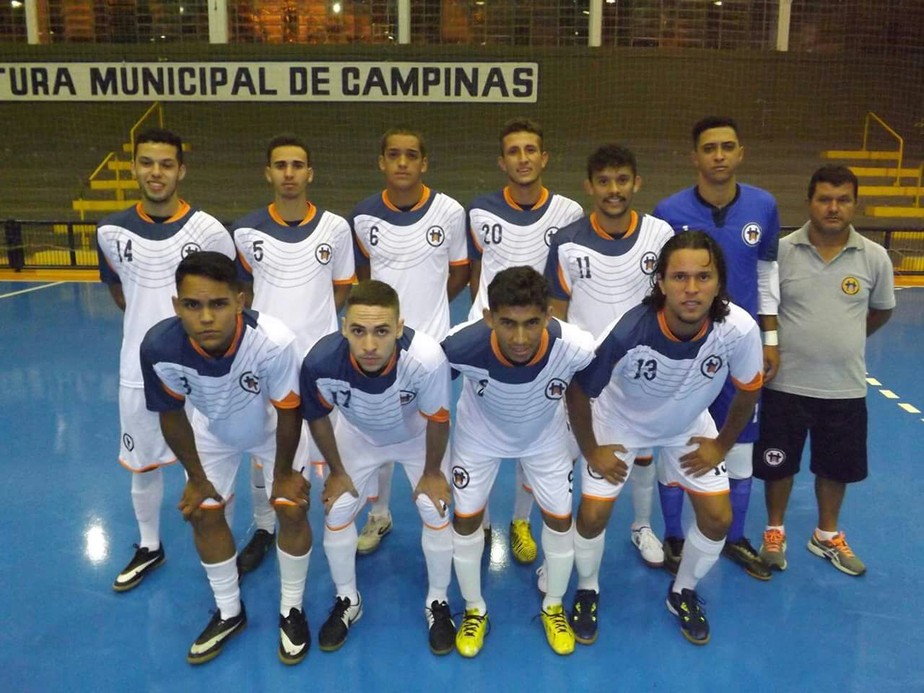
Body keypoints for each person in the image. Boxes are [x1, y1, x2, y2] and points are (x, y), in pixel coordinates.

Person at [567, 231, 763, 646]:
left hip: (688, 424)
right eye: (679, 277)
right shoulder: (629, 330)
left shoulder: (738, 329)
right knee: (592, 517)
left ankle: (683, 592)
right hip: (620, 423)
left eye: (703, 277)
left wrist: (721, 445)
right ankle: (587, 588)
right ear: (661, 282)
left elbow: (749, 388)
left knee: (718, 519)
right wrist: (590, 449)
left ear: (719, 282)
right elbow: (579, 389)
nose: (691, 289)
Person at [139, 252, 313, 665]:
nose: (205, 318)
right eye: (192, 305)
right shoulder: (159, 347)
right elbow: (171, 414)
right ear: (176, 305)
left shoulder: (273, 341)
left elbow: (290, 410)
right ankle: (229, 611)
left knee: (290, 508)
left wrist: (284, 473)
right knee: (203, 511)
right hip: (213, 431)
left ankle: (292, 608)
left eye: (217, 304)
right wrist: (196, 478)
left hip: (275, 432)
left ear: (240, 300)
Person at [97, 127, 235, 592]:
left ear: (181, 170)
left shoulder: (210, 230)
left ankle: (222, 542)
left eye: (166, 164)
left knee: (214, 460)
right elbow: (120, 291)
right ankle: (149, 544)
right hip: (139, 368)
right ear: (135, 166)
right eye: (147, 162)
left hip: (206, 369)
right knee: (144, 464)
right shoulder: (111, 231)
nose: (156, 173)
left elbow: (228, 296)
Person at [442, 266, 596, 657]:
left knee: (561, 521)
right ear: (488, 317)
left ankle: (554, 606)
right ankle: (475, 609)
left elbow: (581, 394)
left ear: (549, 315)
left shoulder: (576, 347)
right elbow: (429, 394)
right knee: (465, 523)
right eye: (508, 323)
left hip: (544, 439)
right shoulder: (458, 347)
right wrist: (428, 463)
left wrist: (590, 447)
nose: (521, 337)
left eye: (532, 323)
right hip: (479, 439)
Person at [299, 280, 457, 654]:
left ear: (399, 328)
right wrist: (336, 470)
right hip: (357, 437)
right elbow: (318, 417)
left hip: (417, 438)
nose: (369, 345)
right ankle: (347, 600)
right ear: (343, 328)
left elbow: (438, 418)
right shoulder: (320, 361)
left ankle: (438, 601)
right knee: (337, 510)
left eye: (381, 331)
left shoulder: (427, 358)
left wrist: (433, 473)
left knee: (434, 508)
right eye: (358, 331)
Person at [653, 116, 780, 580]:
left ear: (741, 152)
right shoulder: (667, 211)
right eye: (710, 148)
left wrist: (770, 337)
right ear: (695, 157)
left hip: (741, 346)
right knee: (679, 442)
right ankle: (673, 535)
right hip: (685, 349)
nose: (719, 155)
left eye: (728, 146)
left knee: (741, 444)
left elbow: (766, 274)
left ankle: (735, 537)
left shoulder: (763, 206)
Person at [753, 165, 894, 576]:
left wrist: (843, 340)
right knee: (778, 464)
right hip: (785, 385)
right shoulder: (780, 252)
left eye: (843, 199)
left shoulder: (874, 257)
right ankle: (774, 530)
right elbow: (767, 311)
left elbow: (882, 311)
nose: (833, 208)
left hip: (844, 389)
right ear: (809, 201)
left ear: (854, 203)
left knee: (836, 468)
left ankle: (826, 536)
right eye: (825, 199)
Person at [545, 143, 674, 568]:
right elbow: (556, 312)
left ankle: (641, 526)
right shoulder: (566, 242)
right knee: (566, 455)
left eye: (622, 180)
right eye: (604, 182)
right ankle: (560, 552)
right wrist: (562, 369)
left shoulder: (661, 235)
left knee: (640, 453)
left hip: (642, 372)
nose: (613, 190)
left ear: (636, 183)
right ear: (589, 186)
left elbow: (667, 301)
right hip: (585, 375)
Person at [231, 134, 355, 575]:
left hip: (320, 359)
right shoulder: (245, 231)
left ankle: (337, 522)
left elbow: (341, 286)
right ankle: (265, 526)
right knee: (262, 444)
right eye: (280, 165)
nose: (288, 173)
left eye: (297, 165)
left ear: (309, 173)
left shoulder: (335, 228)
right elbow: (242, 292)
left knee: (328, 442)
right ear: (268, 173)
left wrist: (314, 324)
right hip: (262, 359)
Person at [466, 117, 584, 563]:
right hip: (491, 337)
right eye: (513, 151)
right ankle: (480, 517)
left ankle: (520, 519)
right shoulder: (479, 209)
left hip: (540, 338)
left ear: (544, 157)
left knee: (535, 429)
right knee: (484, 429)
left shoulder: (569, 212)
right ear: (502, 161)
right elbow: (478, 268)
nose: (523, 158)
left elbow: (566, 276)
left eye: (530, 149)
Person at [348, 127, 469, 555]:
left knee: (431, 424)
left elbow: (460, 271)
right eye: (393, 155)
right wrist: (381, 327)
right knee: (376, 424)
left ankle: (448, 510)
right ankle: (379, 514)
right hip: (376, 347)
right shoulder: (362, 216)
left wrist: (428, 314)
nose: (402, 163)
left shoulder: (450, 212)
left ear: (424, 163)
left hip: (431, 349)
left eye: (411, 155)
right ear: (381, 162)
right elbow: (364, 277)